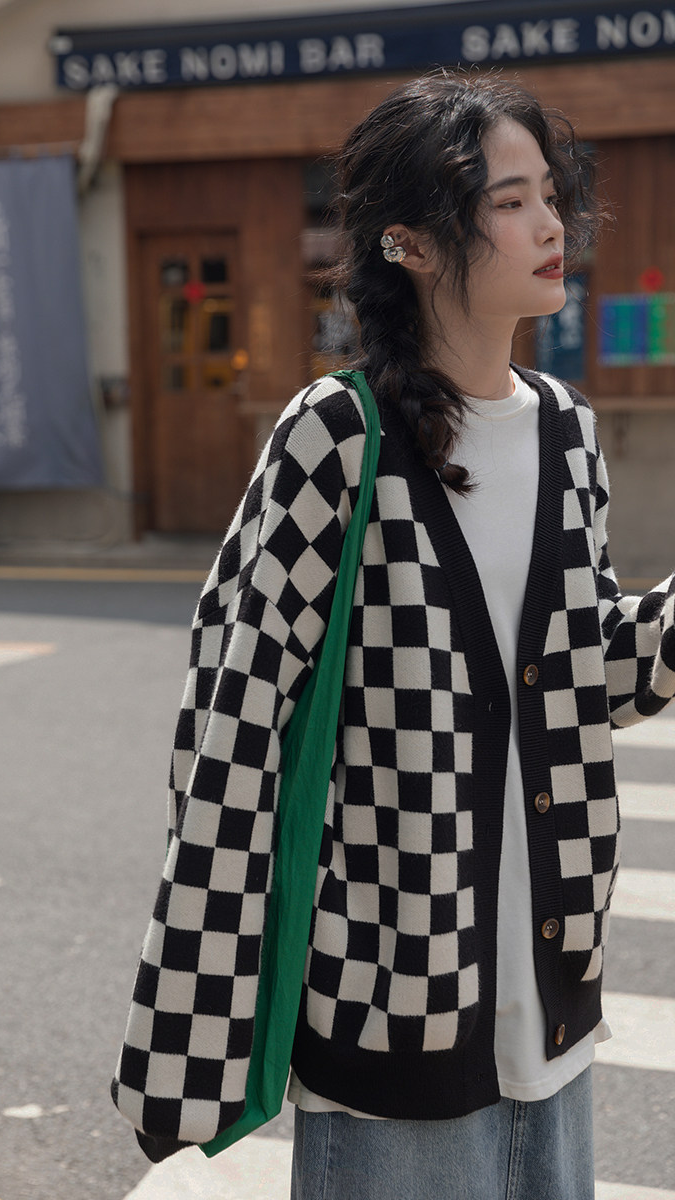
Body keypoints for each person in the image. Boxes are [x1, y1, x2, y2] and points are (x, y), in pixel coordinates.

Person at [112, 70, 675, 1199]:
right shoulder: (336, 435)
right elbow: (235, 726)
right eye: (508, 201)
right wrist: (199, 1003)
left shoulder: (566, 430)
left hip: (552, 1006)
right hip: (391, 1023)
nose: (551, 224)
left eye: (549, 194)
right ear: (408, 243)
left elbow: (587, 675)